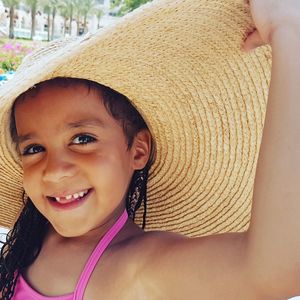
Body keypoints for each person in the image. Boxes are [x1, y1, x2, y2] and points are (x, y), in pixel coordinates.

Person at [0, 0, 299, 298]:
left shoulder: (137, 267)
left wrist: (289, 30)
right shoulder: (28, 242)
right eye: (34, 148)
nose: (54, 171)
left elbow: (275, 271)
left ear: (138, 151)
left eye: (83, 139)